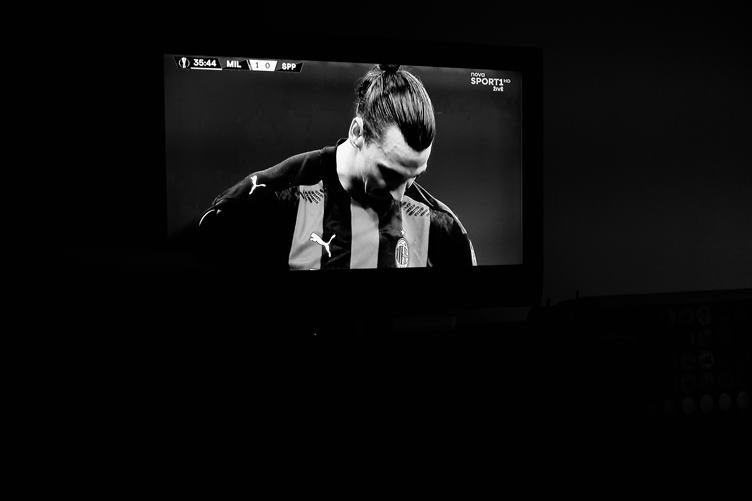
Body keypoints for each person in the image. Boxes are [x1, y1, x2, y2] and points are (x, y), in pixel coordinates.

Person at [197, 64, 476, 270]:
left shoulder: (442, 230)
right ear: (357, 133)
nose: (400, 195)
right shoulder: (269, 203)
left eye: (413, 176)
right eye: (390, 174)